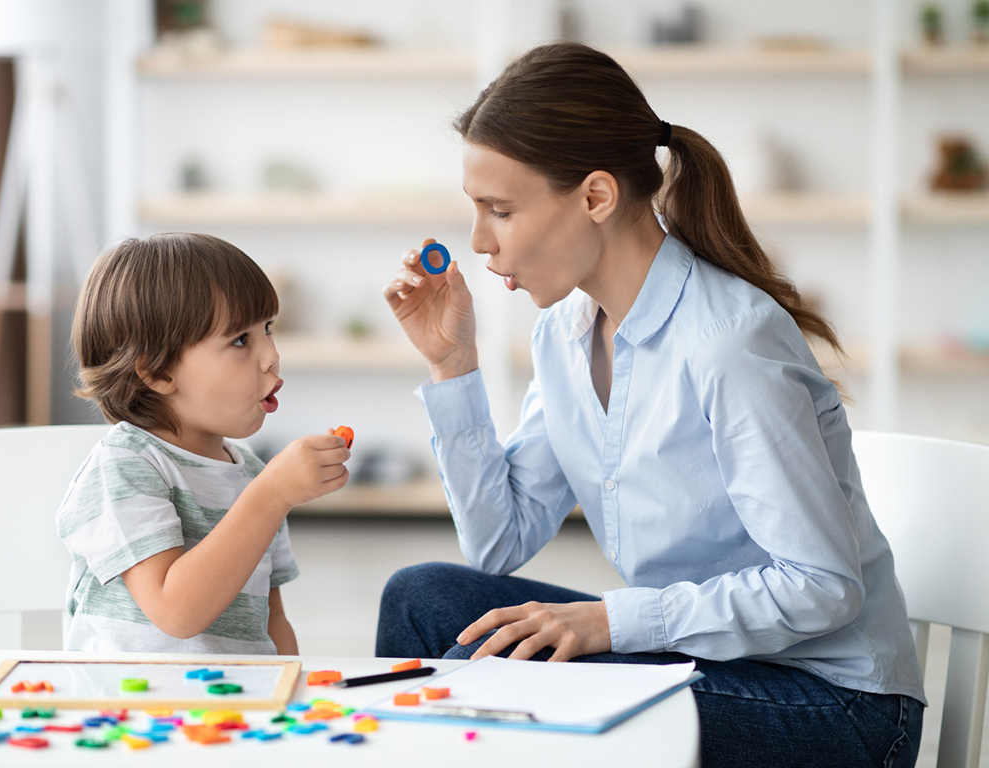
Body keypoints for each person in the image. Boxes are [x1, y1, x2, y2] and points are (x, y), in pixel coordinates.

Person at [378, 42, 925, 767]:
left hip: (836, 706)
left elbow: (822, 589)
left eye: (500, 211)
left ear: (597, 197)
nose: (480, 242)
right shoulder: (565, 334)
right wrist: (452, 365)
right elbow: (498, 543)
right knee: (421, 600)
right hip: (709, 665)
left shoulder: (730, 342)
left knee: (496, 674)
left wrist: (612, 621)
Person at [57, 233, 351, 654]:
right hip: (130, 712)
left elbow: (273, 620)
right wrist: (271, 496)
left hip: (233, 713)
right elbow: (176, 611)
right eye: (240, 341)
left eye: (267, 329)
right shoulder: (124, 466)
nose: (271, 355)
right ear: (157, 373)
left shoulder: (252, 473)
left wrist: (290, 700)